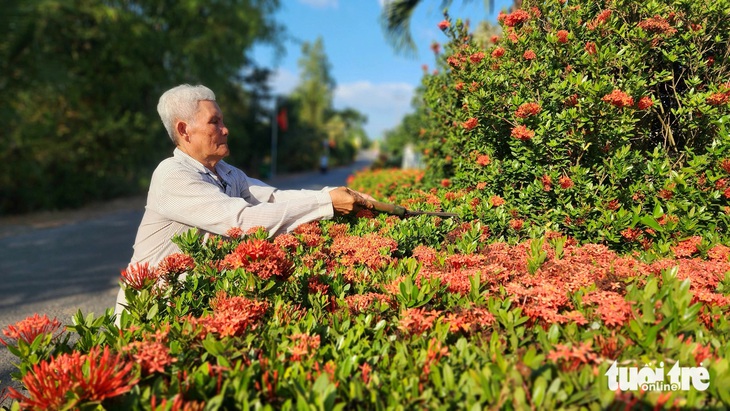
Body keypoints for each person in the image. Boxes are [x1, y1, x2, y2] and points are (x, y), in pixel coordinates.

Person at [114, 84, 371, 320]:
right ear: (184, 130)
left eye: (222, 120)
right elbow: (242, 220)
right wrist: (326, 202)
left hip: (187, 306)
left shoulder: (226, 172)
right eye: (214, 122)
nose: (225, 129)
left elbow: (272, 197)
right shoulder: (173, 175)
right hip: (147, 311)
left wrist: (336, 193)